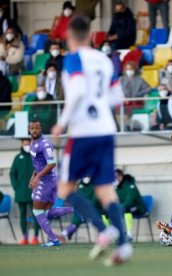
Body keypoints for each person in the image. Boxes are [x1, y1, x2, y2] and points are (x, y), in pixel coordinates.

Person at [50, 16, 131, 265]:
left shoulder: (73, 59)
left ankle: (103, 229)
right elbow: (117, 96)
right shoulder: (105, 60)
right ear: (90, 36)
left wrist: (62, 122)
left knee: (64, 189)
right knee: (105, 190)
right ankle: (125, 246)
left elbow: (76, 91)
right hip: (106, 129)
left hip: (83, 132)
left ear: (69, 37)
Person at [28, 120, 73, 247]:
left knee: (37, 210)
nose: (35, 130)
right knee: (45, 213)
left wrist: (38, 177)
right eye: (32, 128)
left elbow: (52, 163)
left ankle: (53, 240)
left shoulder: (45, 144)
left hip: (47, 181)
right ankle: (75, 209)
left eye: (37, 128)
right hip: (47, 180)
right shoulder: (33, 142)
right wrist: (33, 177)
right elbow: (38, 163)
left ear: (40, 128)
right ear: (29, 129)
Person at [9, 138, 40, 245]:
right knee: (22, 214)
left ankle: (35, 237)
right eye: (25, 143)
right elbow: (12, 174)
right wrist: (16, 187)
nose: (27, 144)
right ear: (22, 144)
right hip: (21, 193)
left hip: (34, 192)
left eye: (28, 143)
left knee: (36, 214)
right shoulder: (18, 158)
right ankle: (24, 238)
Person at [59, 177, 101, 242]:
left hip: (94, 209)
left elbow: (94, 201)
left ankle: (66, 233)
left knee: (81, 215)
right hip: (82, 210)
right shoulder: (79, 185)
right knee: (78, 215)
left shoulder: (94, 185)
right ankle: (66, 234)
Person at [114, 169, 146, 241]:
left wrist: (120, 207)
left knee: (126, 210)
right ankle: (117, 234)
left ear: (121, 176)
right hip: (125, 207)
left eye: (116, 177)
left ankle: (129, 234)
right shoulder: (117, 187)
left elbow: (130, 200)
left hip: (138, 207)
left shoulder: (130, 185)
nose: (115, 179)